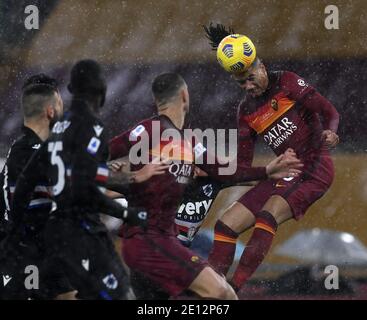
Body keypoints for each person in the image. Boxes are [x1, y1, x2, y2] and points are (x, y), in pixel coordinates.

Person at [109, 72, 302, 299]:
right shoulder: (148, 132)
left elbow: (225, 171)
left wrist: (267, 171)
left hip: (163, 248)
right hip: (150, 243)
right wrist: (129, 177)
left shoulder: (189, 143)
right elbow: (89, 164)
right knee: (223, 294)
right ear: (184, 95)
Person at [204, 24, 340, 293]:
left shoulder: (287, 82)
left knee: (268, 215)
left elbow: (330, 111)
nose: (248, 85)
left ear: (262, 66)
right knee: (225, 226)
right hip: (283, 173)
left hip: (314, 167)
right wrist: (213, 174)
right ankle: (209, 291)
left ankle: (232, 289)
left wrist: (331, 132)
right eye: (241, 82)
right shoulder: (245, 111)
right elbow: (243, 167)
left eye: (251, 77)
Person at [11, 60, 147, 300]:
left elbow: (25, 183)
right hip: (83, 230)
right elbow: (85, 184)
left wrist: (21, 231)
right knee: (122, 295)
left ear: (72, 89)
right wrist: (127, 213)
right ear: (101, 89)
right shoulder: (90, 126)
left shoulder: (59, 130)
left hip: (56, 233)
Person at [0, 74, 73, 299]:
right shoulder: (28, 152)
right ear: (50, 110)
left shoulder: (40, 149)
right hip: (21, 252)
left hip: (41, 248)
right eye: (60, 103)